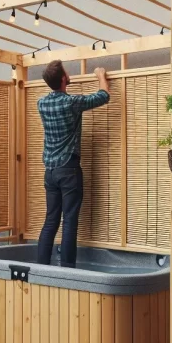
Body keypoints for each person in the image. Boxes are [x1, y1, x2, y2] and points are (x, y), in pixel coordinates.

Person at [36, 60, 109, 267]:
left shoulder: (41, 103)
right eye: (66, 73)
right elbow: (103, 96)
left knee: (51, 220)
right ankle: (68, 272)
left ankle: (41, 268)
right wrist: (100, 74)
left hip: (50, 172)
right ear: (62, 78)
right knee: (69, 221)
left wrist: (64, 83)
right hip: (68, 169)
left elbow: (59, 94)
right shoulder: (71, 103)